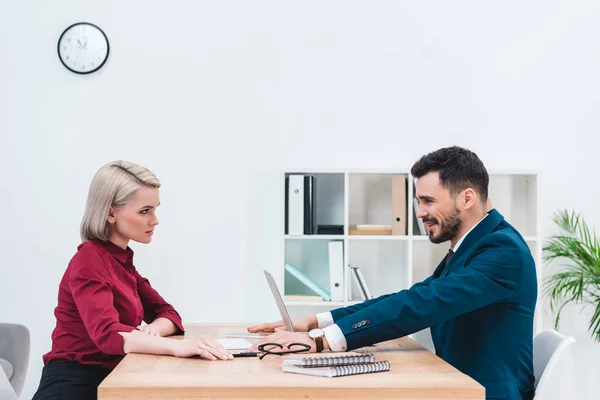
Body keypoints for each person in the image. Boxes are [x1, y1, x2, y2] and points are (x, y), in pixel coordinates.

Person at [248, 146, 537, 400]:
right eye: (419, 202)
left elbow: (425, 303)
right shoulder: (474, 247)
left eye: (428, 201)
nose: (420, 212)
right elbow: (413, 296)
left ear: (467, 198)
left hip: (485, 393)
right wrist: (315, 322)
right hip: (461, 385)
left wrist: (320, 341)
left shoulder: (502, 251)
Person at [32, 161, 233, 400]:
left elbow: (169, 315)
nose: (155, 220)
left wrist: (150, 333)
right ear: (110, 212)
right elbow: (109, 336)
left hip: (115, 377)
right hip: (74, 383)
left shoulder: (121, 263)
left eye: (155, 209)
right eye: (145, 211)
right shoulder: (89, 260)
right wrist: (176, 347)